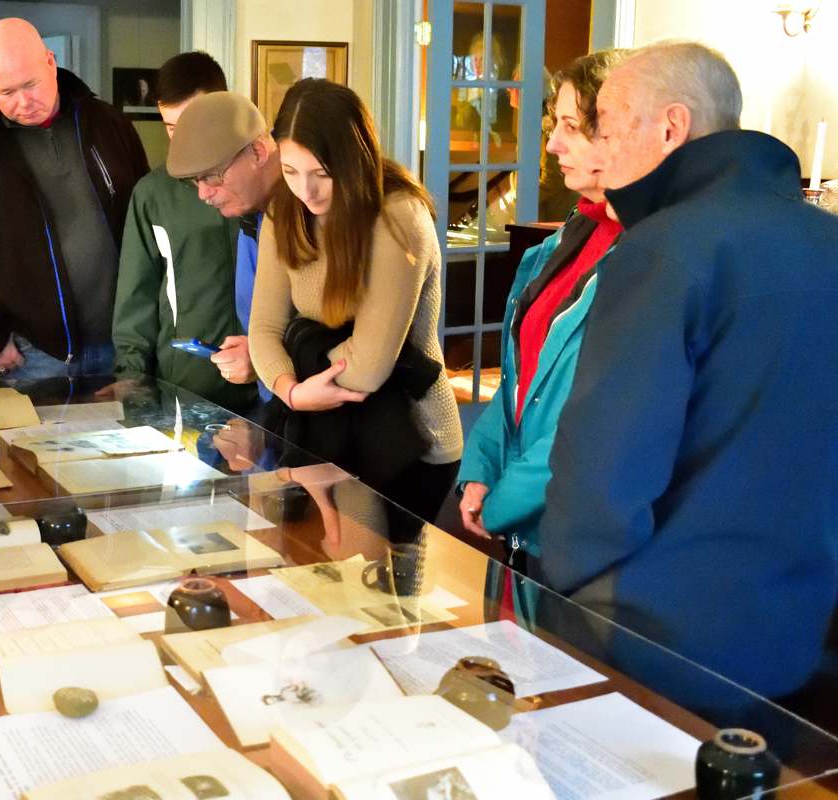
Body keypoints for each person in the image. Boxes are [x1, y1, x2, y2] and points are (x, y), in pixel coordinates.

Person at [537, 41, 838, 701]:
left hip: (654, 633)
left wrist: (556, 590)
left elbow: (606, 472)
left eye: (609, 130)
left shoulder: (664, 248)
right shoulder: (826, 241)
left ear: (670, 127)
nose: (602, 151)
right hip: (798, 627)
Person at [247, 79, 463, 525]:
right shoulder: (282, 211)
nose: (306, 191)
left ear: (355, 159)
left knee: (390, 592)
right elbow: (263, 330)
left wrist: (298, 359)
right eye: (290, 171)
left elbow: (369, 367)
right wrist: (292, 391)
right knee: (316, 580)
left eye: (322, 173)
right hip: (321, 429)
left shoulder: (397, 214)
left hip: (410, 437)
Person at [456, 51, 625, 597]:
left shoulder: (648, 260)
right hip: (522, 526)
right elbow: (518, 382)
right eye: (556, 125)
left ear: (620, 133)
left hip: (578, 538)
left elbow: (588, 420)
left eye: (572, 127)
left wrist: (504, 501)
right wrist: (480, 467)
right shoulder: (564, 242)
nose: (552, 145)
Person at [0, 18, 148, 386]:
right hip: (32, 354)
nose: (23, 102)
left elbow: (146, 225)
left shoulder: (108, 124)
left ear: (50, 61)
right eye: (6, 92)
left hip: (122, 346)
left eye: (30, 85)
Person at [109, 52, 257, 411]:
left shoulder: (262, 181)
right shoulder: (153, 193)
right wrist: (131, 382)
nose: (182, 140)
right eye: (171, 127)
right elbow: (136, 298)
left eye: (192, 123)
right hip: (185, 387)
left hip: (268, 383)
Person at [164, 91, 287, 401]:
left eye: (212, 177)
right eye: (194, 181)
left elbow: (340, 335)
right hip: (277, 407)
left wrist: (262, 359)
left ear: (258, 152)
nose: (204, 194)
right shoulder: (251, 216)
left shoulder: (307, 212)